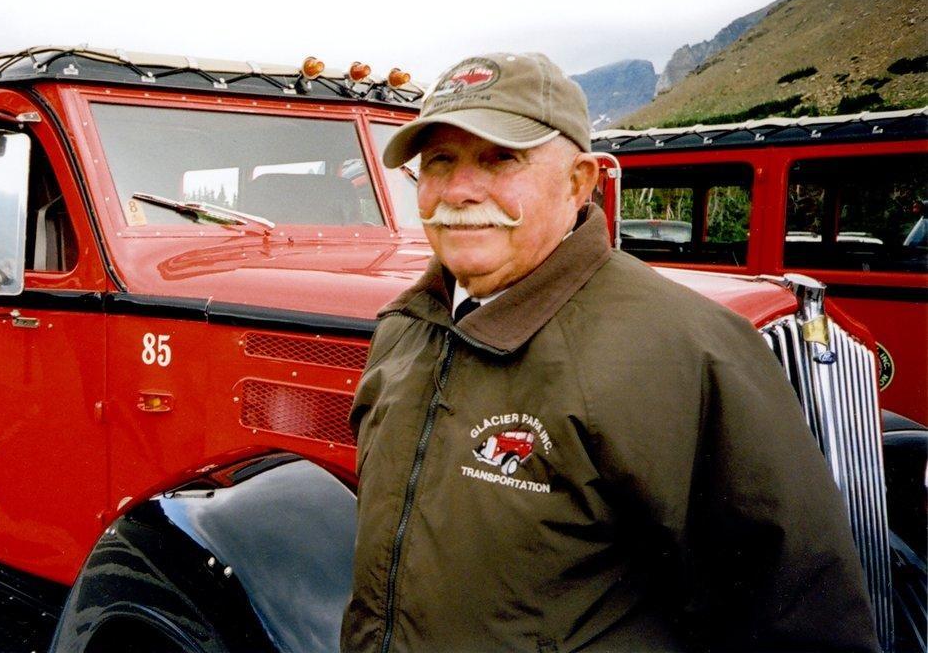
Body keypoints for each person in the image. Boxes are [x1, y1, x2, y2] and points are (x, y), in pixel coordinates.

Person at [341, 52, 878, 652]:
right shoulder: (406, 326)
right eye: (440, 161)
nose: (461, 190)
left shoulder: (683, 351)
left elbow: (797, 616)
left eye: (500, 159)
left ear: (579, 183)